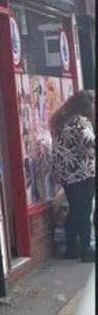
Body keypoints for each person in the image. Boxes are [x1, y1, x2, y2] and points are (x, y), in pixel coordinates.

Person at [51, 90, 95, 261]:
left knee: (75, 209)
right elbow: (89, 142)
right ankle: (86, 249)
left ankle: (70, 249)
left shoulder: (60, 121)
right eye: (92, 103)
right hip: (83, 172)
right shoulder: (81, 121)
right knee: (84, 211)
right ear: (86, 105)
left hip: (67, 173)